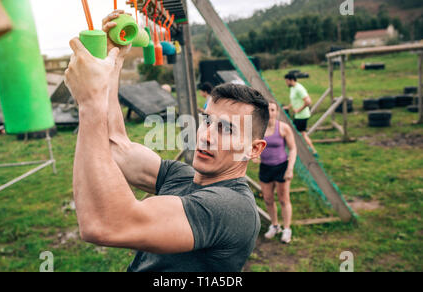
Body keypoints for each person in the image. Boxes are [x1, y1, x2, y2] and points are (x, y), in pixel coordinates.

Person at [64, 10, 270, 272]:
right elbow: (116, 145)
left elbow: (106, 224)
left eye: (226, 129)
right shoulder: (182, 175)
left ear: (254, 149)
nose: (205, 136)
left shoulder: (232, 208)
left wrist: (90, 103)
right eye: (207, 121)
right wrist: (114, 60)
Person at [254, 101, 297, 244]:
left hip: (281, 167)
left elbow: (293, 149)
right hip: (265, 168)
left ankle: (287, 229)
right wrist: (255, 154)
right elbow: (253, 145)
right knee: (267, 199)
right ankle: (274, 225)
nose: (270, 112)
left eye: (272, 110)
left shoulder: (284, 128)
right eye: (267, 110)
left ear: (277, 112)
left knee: (284, 199)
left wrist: (290, 168)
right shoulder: (259, 128)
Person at [283, 74, 317, 155]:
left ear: (291, 80)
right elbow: (295, 100)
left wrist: (298, 110)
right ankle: (311, 150)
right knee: (301, 133)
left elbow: (308, 101)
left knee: (298, 133)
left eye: (286, 81)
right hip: (298, 115)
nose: (286, 83)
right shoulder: (293, 88)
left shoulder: (299, 88)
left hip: (302, 116)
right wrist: (288, 107)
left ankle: (311, 150)